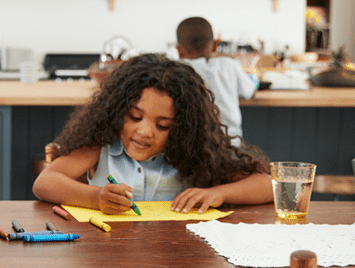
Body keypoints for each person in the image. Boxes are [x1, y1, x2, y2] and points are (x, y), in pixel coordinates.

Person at [32, 54, 272, 216]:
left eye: (164, 125)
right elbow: (45, 183)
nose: (145, 132)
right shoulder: (102, 145)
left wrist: (218, 193)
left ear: (183, 128)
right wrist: (96, 197)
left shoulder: (195, 153)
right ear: (117, 111)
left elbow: (269, 185)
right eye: (135, 117)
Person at [176, 17, 256, 141]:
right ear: (215, 45)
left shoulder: (178, 70)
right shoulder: (228, 65)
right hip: (231, 141)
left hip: (193, 144)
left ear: (179, 50)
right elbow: (249, 90)